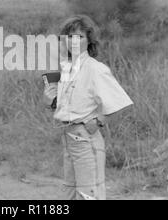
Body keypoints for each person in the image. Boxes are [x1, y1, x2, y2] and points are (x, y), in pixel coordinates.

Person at [43, 15, 133, 200]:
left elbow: (117, 100)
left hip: (85, 136)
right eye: (69, 36)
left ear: (89, 41)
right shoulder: (67, 68)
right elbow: (72, 102)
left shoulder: (95, 68)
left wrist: (99, 120)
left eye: (79, 37)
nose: (73, 41)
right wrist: (51, 100)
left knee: (89, 194)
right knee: (69, 192)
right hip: (67, 135)